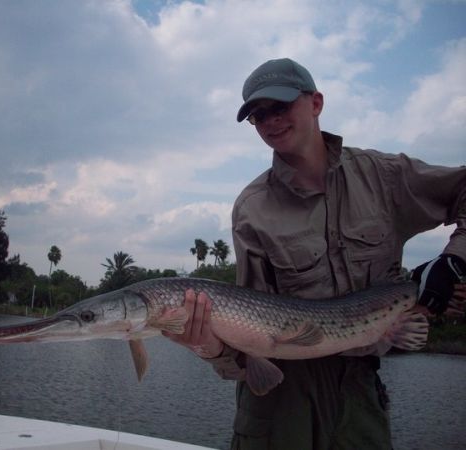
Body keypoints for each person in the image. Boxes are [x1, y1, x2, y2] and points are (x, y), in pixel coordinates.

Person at [165, 58, 466, 449]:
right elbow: (249, 344)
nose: (270, 120)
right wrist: (209, 345)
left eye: (281, 106)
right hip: (279, 401)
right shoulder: (251, 209)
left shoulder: (384, 176)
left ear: (316, 103)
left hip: (360, 390)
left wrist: (454, 259)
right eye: (258, 115)